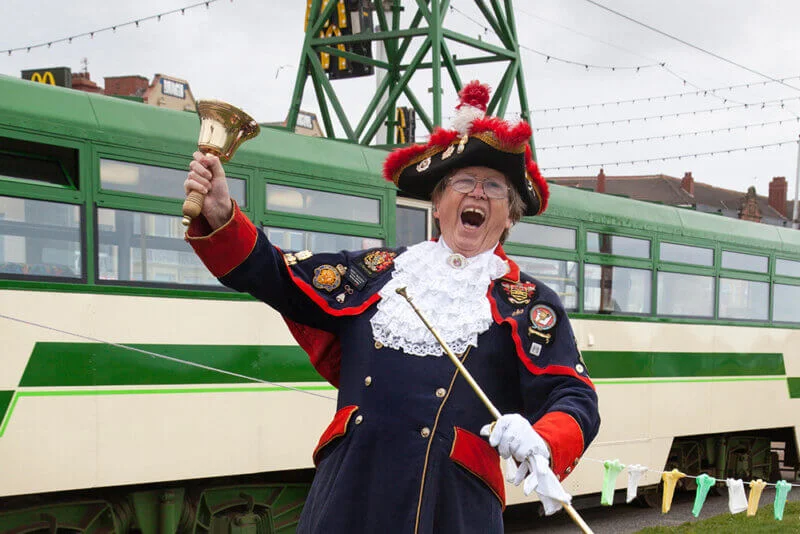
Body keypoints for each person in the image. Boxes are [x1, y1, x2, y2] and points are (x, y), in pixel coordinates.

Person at [185, 81, 600, 534]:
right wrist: (224, 213)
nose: (478, 194)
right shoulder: (380, 272)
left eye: (495, 187)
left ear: (509, 217)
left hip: (453, 508)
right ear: (438, 203)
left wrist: (541, 438)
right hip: (349, 495)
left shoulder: (529, 303)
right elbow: (277, 276)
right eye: (463, 182)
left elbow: (575, 396)